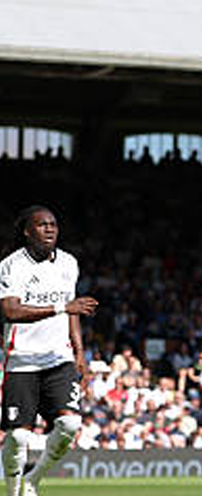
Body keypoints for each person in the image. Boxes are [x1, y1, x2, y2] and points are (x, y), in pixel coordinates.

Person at [1, 206, 97, 496]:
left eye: (53, 224)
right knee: (18, 437)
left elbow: (73, 313)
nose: (50, 229)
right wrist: (61, 307)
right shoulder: (11, 265)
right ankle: (15, 490)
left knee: (70, 424)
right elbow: (10, 311)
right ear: (27, 231)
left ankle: (33, 480)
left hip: (59, 358)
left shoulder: (68, 263)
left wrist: (79, 353)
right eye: (42, 225)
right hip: (22, 361)